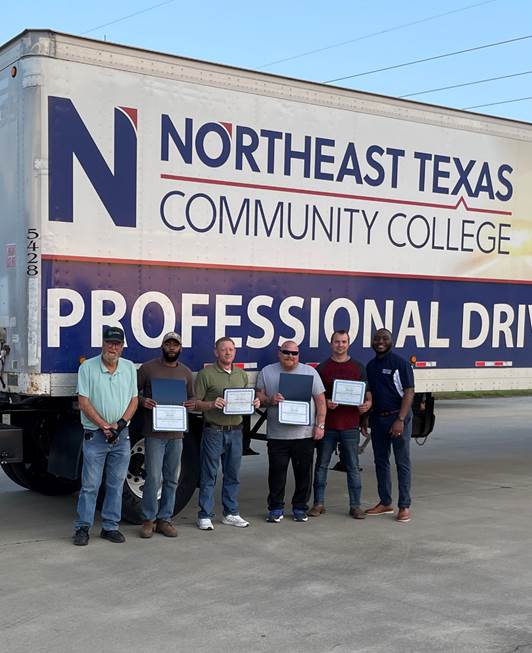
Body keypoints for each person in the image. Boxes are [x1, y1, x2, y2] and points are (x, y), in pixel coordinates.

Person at [72, 326, 138, 546]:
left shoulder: (129, 368)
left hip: (122, 435)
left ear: (122, 346)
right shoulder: (87, 368)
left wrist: (120, 425)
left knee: (116, 484)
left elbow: (134, 400)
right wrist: (104, 426)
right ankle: (82, 528)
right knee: (90, 485)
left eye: (117, 344)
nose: (113, 347)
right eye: (109, 343)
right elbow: (84, 402)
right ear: (103, 343)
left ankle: (110, 527)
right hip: (96, 435)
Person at [256, 341, 326, 523]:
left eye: (294, 353)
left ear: (299, 355)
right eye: (286, 352)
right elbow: (258, 397)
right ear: (279, 353)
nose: (290, 356)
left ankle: (299, 508)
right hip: (277, 435)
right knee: (276, 474)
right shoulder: (267, 372)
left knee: (303, 474)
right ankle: (276, 508)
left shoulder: (310, 372)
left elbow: (320, 402)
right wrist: (270, 399)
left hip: (304, 435)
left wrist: (320, 425)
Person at [194, 337, 260, 530]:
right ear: (216, 352)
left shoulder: (241, 375)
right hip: (214, 430)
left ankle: (230, 513)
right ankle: (204, 515)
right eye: (224, 350)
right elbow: (195, 403)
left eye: (231, 349)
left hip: (236, 431)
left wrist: (254, 403)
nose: (228, 353)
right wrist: (210, 404)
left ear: (235, 352)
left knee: (232, 474)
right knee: (209, 475)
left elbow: (243, 401)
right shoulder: (205, 374)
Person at [137, 332, 195, 539]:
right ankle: (148, 520)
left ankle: (165, 519)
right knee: (153, 478)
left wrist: (191, 404)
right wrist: (144, 402)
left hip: (176, 434)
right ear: (162, 346)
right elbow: (133, 394)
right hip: (154, 433)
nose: (172, 348)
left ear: (180, 348)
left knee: (171, 478)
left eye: (175, 345)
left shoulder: (186, 373)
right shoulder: (148, 368)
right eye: (168, 344)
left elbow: (192, 399)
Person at [309, 330, 372, 520]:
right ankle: (318, 504)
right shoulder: (322, 368)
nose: (340, 345)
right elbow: (315, 396)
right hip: (328, 426)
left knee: (353, 466)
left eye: (344, 342)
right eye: (337, 342)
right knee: (321, 465)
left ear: (349, 344)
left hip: (350, 425)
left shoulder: (358, 367)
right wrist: (326, 402)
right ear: (331, 344)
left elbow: (367, 394)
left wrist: (368, 405)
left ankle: (355, 506)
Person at [364, 328, 415, 523]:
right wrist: (365, 419)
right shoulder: (370, 366)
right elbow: (369, 395)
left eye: (384, 338)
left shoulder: (400, 364)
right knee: (381, 462)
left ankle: (404, 506)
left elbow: (409, 392)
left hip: (397, 418)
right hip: (378, 419)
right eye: (376, 338)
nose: (380, 341)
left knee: (402, 462)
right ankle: (385, 502)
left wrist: (400, 420)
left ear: (391, 341)